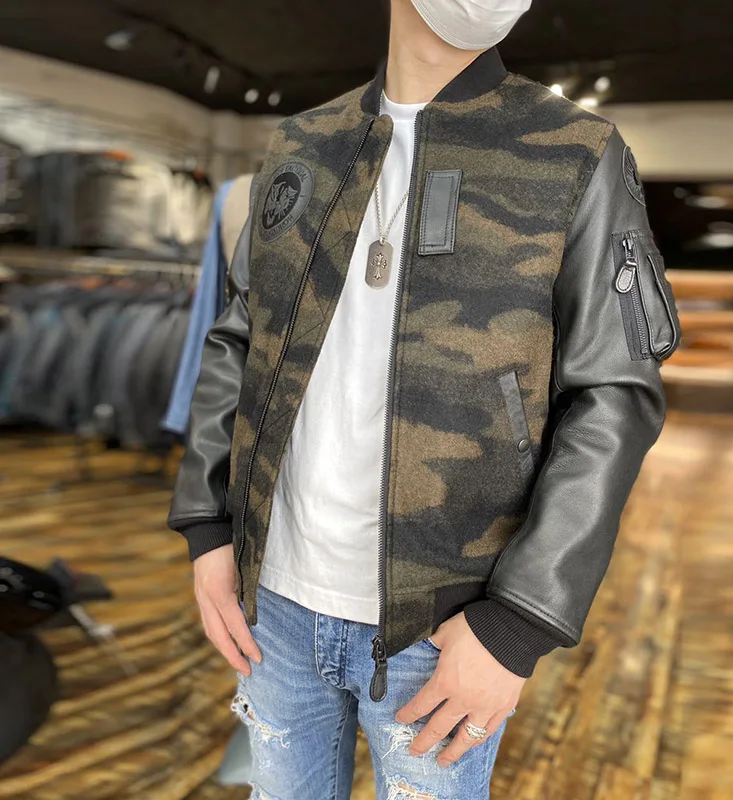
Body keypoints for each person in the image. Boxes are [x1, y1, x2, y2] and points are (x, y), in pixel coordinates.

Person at [167, 0, 682, 797]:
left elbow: (613, 395)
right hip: (275, 602)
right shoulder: (304, 143)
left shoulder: (575, 152)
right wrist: (207, 526)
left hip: (442, 626)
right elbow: (239, 337)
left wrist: (521, 620)